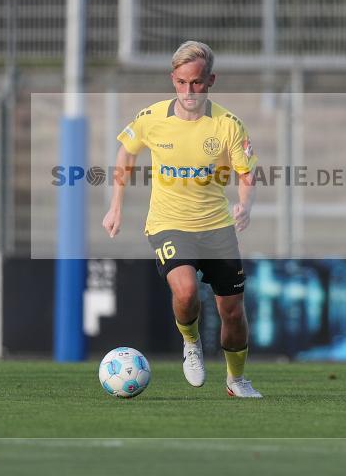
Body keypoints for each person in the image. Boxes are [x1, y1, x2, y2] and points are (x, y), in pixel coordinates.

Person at [102, 40, 262, 398]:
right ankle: (191, 342)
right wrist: (115, 206)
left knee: (232, 311)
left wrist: (244, 205)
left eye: (197, 82)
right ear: (172, 79)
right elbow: (125, 155)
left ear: (211, 81)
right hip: (168, 223)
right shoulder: (151, 118)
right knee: (187, 291)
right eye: (182, 82)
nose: (189, 91)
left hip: (216, 226)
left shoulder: (228, 125)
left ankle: (236, 380)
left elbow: (246, 173)